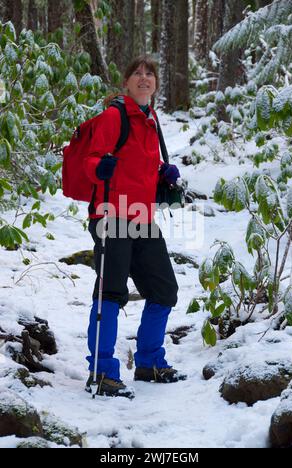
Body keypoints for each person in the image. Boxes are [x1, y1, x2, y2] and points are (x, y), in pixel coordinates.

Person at [83, 56, 186, 399]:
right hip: (110, 215)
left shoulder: (151, 119)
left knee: (163, 291)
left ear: (156, 83)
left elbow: (141, 165)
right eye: (137, 74)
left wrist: (162, 173)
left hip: (141, 216)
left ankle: (149, 362)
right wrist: (101, 167)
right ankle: (102, 371)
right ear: (126, 82)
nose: (144, 78)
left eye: (150, 74)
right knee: (110, 292)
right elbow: (90, 159)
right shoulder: (114, 115)